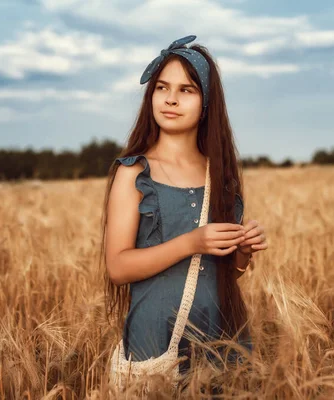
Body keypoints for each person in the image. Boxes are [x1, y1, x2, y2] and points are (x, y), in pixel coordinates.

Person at [99, 35, 268, 382]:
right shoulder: (134, 171)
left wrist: (242, 251)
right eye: (162, 88)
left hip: (220, 339)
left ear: (206, 103)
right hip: (155, 340)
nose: (171, 99)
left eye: (186, 90)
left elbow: (226, 274)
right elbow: (117, 266)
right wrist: (192, 242)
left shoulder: (218, 174)